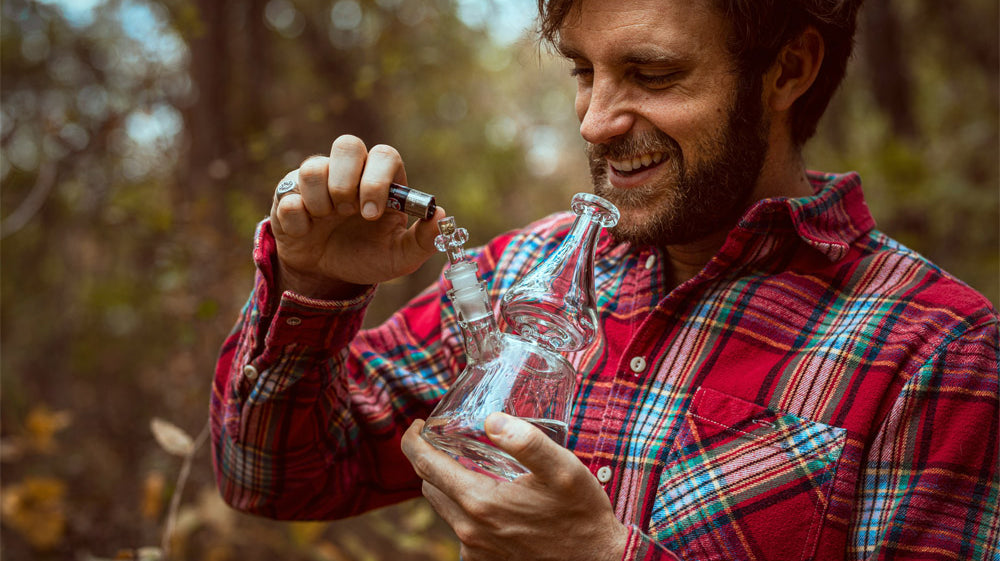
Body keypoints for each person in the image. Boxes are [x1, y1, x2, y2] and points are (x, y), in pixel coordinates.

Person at [210, 1, 1000, 559]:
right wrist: (313, 283)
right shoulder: (528, 271)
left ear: (788, 69)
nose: (594, 121)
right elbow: (273, 480)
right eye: (584, 70)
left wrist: (600, 554)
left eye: (650, 73)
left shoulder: (937, 351)